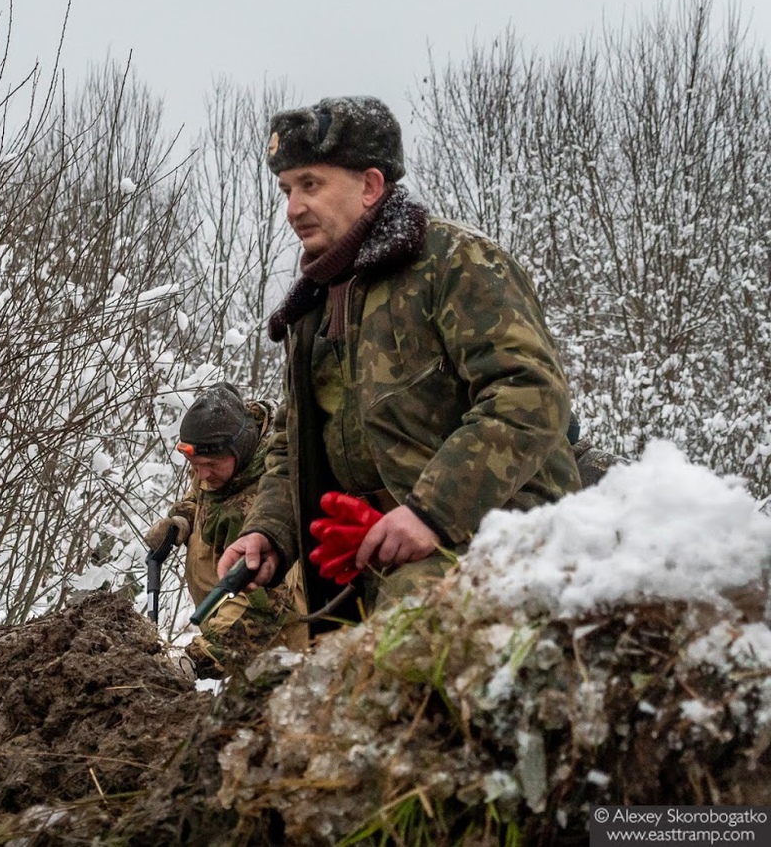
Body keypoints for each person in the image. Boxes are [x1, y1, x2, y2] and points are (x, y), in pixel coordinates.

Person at [218, 96, 582, 630]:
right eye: (286, 190)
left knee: (399, 658)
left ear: (370, 186)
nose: (293, 208)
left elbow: (529, 393)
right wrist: (268, 533)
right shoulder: (311, 308)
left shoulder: (453, 262)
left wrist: (431, 510)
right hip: (369, 557)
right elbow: (290, 444)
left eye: (311, 185)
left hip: (496, 536)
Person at [144, 382, 309, 677]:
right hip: (236, 641)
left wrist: (198, 659)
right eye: (193, 464)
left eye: (210, 464)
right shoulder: (219, 464)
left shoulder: (270, 499)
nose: (201, 473)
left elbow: (263, 604)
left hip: (279, 654)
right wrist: (181, 520)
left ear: (241, 447)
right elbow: (199, 491)